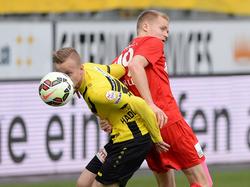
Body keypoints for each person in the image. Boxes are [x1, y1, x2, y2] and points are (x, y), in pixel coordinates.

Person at [108, 10, 213, 187]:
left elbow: (108, 85)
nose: (166, 34)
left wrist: (106, 117)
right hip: (168, 119)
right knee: (203, 181)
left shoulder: (122, 57)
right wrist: (150, 104)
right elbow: (136, 66)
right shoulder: (152, 42)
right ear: (146, 26)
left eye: (167, 31)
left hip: (147, 129)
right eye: (163, 28)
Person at [53, 47, 169, 187]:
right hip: (118, 139)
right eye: (61, 76)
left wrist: (157, 139)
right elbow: (119, 69)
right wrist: (104, 115)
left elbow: (139, 103)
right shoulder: (90, 68)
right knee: (83, 183)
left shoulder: (97, 93)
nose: (65, 80)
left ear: (80, 69)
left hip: (133, 141)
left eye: (68, 74)